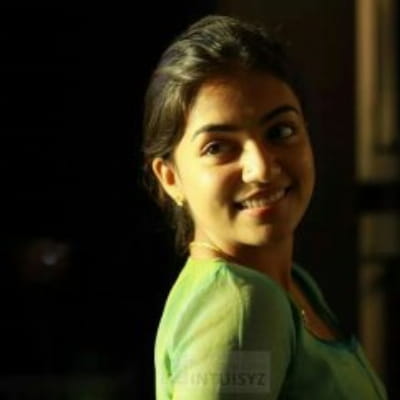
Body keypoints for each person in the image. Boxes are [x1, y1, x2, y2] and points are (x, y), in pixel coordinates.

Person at [141, 14, 388, 399]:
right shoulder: (242, 304)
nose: (262, 169)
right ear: (170, 178)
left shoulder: (292, 285)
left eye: (281, 131)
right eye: (218, 147)